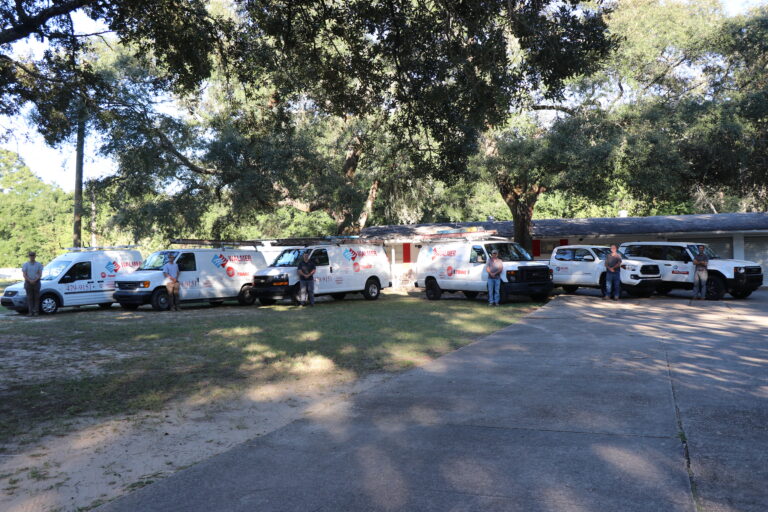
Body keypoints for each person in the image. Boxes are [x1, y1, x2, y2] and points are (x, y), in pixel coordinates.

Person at [22, 251, 43, 316]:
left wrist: (34, 280)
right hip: (28, 283)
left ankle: (36, 312)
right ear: (29, 256)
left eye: (33, 255)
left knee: (36, 298)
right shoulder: (25, 264)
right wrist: (30, 280)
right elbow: (24, 275)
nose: (32, 257)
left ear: (35, 256)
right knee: (29, 298)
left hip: (37, 282)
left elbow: (40, 274)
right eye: (31, 256)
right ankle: (30, 312)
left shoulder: (39, 264)